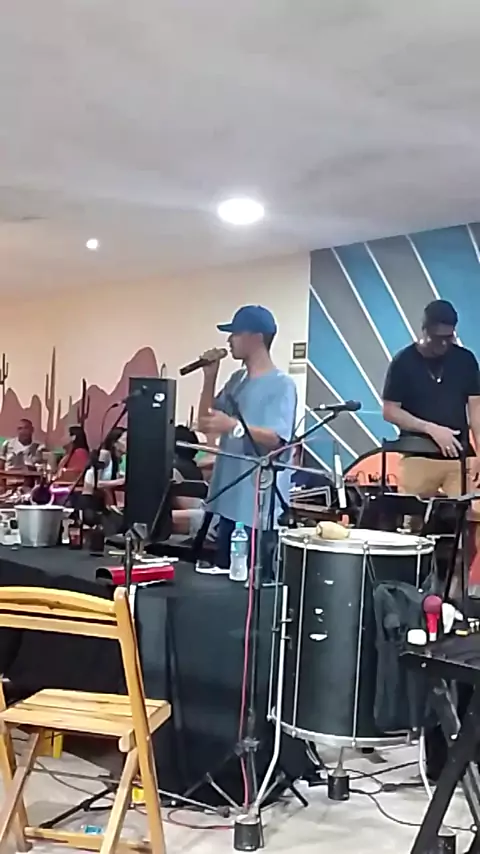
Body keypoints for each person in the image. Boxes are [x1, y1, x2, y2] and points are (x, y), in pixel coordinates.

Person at [198, 304, 297, 575]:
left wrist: (234, 426)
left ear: (256, 338)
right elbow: (205, 422)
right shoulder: (237, 380)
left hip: (256, 509)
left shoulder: (282, 385)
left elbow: (277, 439)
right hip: (228, 502)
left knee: (250, 584)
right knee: (224, 578)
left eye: (235, 333)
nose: (229, 340)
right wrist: (209, 377)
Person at [382, 299, 480, 497]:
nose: (443, 343)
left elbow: (476, 408)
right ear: (424, 330)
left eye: (449, 337)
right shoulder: (403, 362)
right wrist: (431, 429)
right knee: (413, 512)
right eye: (437, 338)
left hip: (459, 458)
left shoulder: (465, 360)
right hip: (418, 456)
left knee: (469, 510)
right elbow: (390, 411)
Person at [82, 427, 126, 501]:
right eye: (125, 440)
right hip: (91, 499)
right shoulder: (104, 454)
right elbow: (96, 483)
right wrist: (121, 481)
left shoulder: (116, 459)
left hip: (104, 500)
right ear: (115, 443)